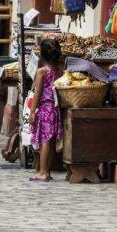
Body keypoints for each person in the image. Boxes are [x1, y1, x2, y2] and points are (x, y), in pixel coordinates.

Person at [29, 37, 66, 181]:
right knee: (49, 142)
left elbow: (37, 93)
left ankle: (43, 172)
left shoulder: (41, 72)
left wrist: (32, 112)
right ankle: (47, 171)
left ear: (42, 54)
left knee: (44, 141)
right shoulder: (58, 71)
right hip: (55, 110)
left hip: (45, 109)